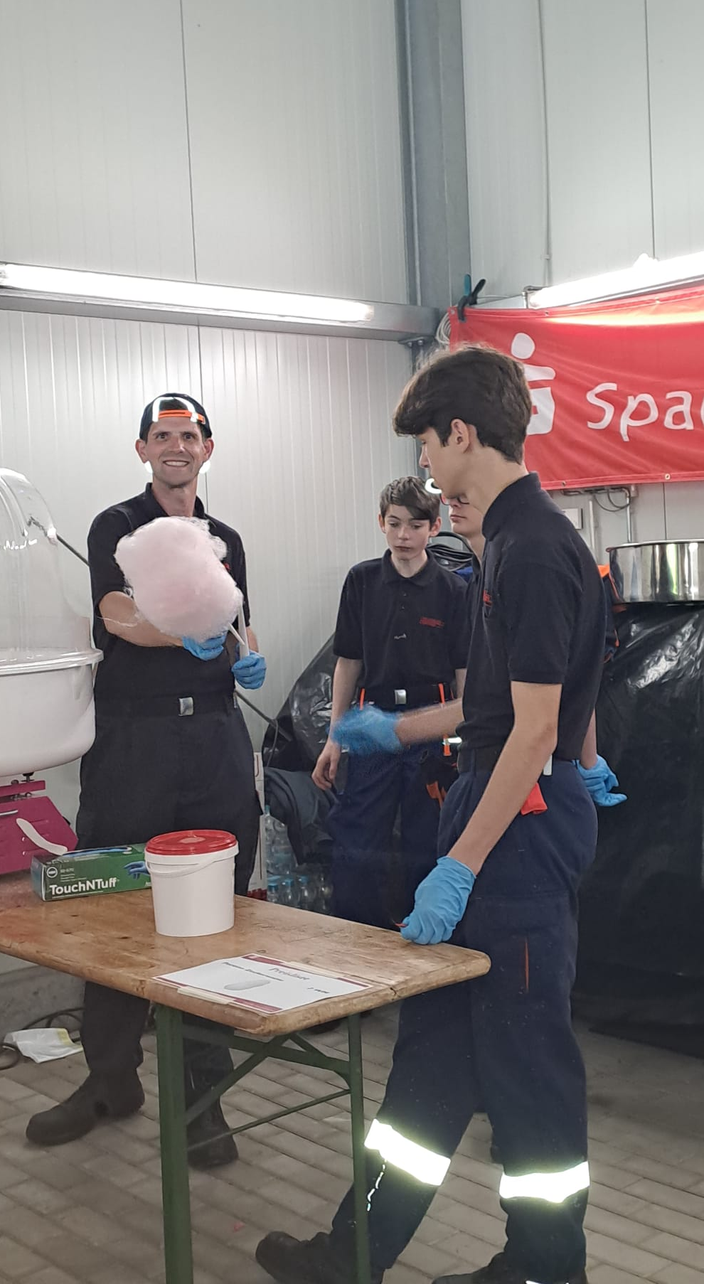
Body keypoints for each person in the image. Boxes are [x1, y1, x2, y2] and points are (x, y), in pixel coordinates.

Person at [256, 345, 605, 1284]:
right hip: (498, 810)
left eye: (426, 445)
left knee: (526, 1063)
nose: (425, 466)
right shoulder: (507, 545)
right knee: (436, 1050)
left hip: (516, 831)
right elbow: (493, 709)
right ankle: (354, 1253)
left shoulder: (533, 549)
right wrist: (392, 730)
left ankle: (546, 1266)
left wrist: (460, 867)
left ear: (460, 433)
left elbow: (533, 732)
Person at [26, 393, 264, 1169]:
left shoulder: (225, 538)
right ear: (142, 450)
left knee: (212, 914)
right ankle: (109, 1080)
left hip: (216, 738)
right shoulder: (117, 526)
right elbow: (117, 615)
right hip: (135, 742)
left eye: (188, 436)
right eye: (162, 436)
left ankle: (203, 1098)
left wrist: (243, 654)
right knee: (115, 907)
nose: (175, 447)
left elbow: (239, 625)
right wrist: (183, 636)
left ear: (207, 448)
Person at [312, 476, 469, 928]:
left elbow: (464, 674)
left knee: (429, 842)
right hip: (371, 728)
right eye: (395, 523)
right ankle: (356, 945)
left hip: (433, 731)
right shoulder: (361, 582)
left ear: (434, 528)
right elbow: (348, 662)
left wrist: (467, 739)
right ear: (380, 522)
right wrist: (334, 738)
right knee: (357, 843)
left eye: (415, 525)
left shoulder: (453, 590)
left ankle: (429, 941)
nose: (404, 535)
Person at [445, 494, 625, 810]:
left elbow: (574, 683)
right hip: (489, 768)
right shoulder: (475, 581)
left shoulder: (532, 568)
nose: (452, 503)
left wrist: (588, 760)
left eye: (464, 496)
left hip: (539, 775)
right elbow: (478, 700)